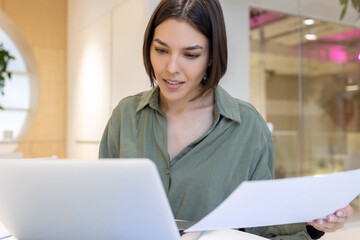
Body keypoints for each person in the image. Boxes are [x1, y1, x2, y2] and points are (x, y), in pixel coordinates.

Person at [99, 0, 353, 239]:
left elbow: (260, 225)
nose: (171, 67)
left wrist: (312, 222)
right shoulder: (125, 116)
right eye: (161, 50)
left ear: (211, 56)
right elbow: (104, 209)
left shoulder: (247, 126)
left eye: (190, 55)